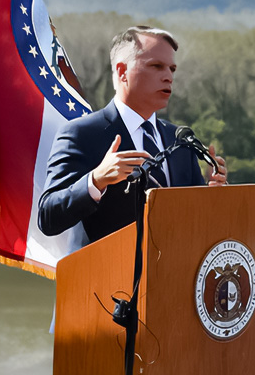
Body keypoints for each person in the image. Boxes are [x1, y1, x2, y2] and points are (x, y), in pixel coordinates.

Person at [38, 26, 227, 244]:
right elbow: (48, 216)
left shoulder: (181, 139)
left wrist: (213, 196)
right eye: (156, 66)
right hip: (107, 274)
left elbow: (195, 224)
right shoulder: (82, 134)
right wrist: (96, 180)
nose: (168, 77)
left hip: (172, 275)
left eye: (172, 69)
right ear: (121, 71)